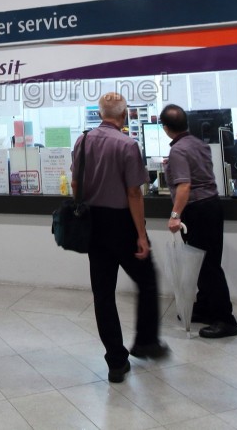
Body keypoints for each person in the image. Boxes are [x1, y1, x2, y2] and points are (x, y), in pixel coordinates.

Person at [72, 92, 167, 384]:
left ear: (100, 114)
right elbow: (134, 193)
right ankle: (145, 342)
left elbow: (76, 182)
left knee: (103, 294)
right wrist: (141, 234)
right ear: (124, 115)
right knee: (147, 279)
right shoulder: (127, 144)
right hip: (122, 223)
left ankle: (116, 361)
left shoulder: (83, 141)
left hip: (94, 224)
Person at [160, 104, 237, 338]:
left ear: (165, 128)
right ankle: (205, 308)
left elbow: (185, 185)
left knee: (206, 266)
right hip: (211, 206)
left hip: (197, 210)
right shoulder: (198, 143)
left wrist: (175, 215)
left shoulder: (178, 151)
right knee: (204, 263)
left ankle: (226, 320)